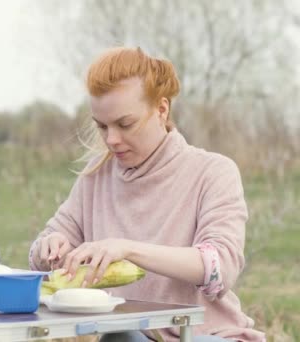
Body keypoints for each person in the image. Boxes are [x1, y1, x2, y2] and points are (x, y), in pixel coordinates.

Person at [28, 47, 265, 342]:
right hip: (128, 337)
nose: (112, 139)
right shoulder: (95, 176)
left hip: (209, 336)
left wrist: (127, 249)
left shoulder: (213, 172)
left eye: (125, 124)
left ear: (162, 110)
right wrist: (49, 249)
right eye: (102, 126)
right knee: (120, 336)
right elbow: (39, 255)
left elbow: (220, 268)